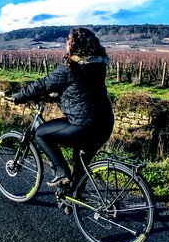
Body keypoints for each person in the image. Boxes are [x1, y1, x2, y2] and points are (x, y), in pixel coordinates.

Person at [12, 27, 114, 187]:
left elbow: (43, 85)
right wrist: (58, 96)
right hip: (105, 123)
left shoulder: (70, 67)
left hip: (84, 125)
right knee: (80, 165)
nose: (66, 43)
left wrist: (19, 96)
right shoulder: (98, 64)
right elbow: (81, 90)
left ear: (76, 45)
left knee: (40, 134)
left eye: (69, 40)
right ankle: (74, 199)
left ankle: (60, 174)